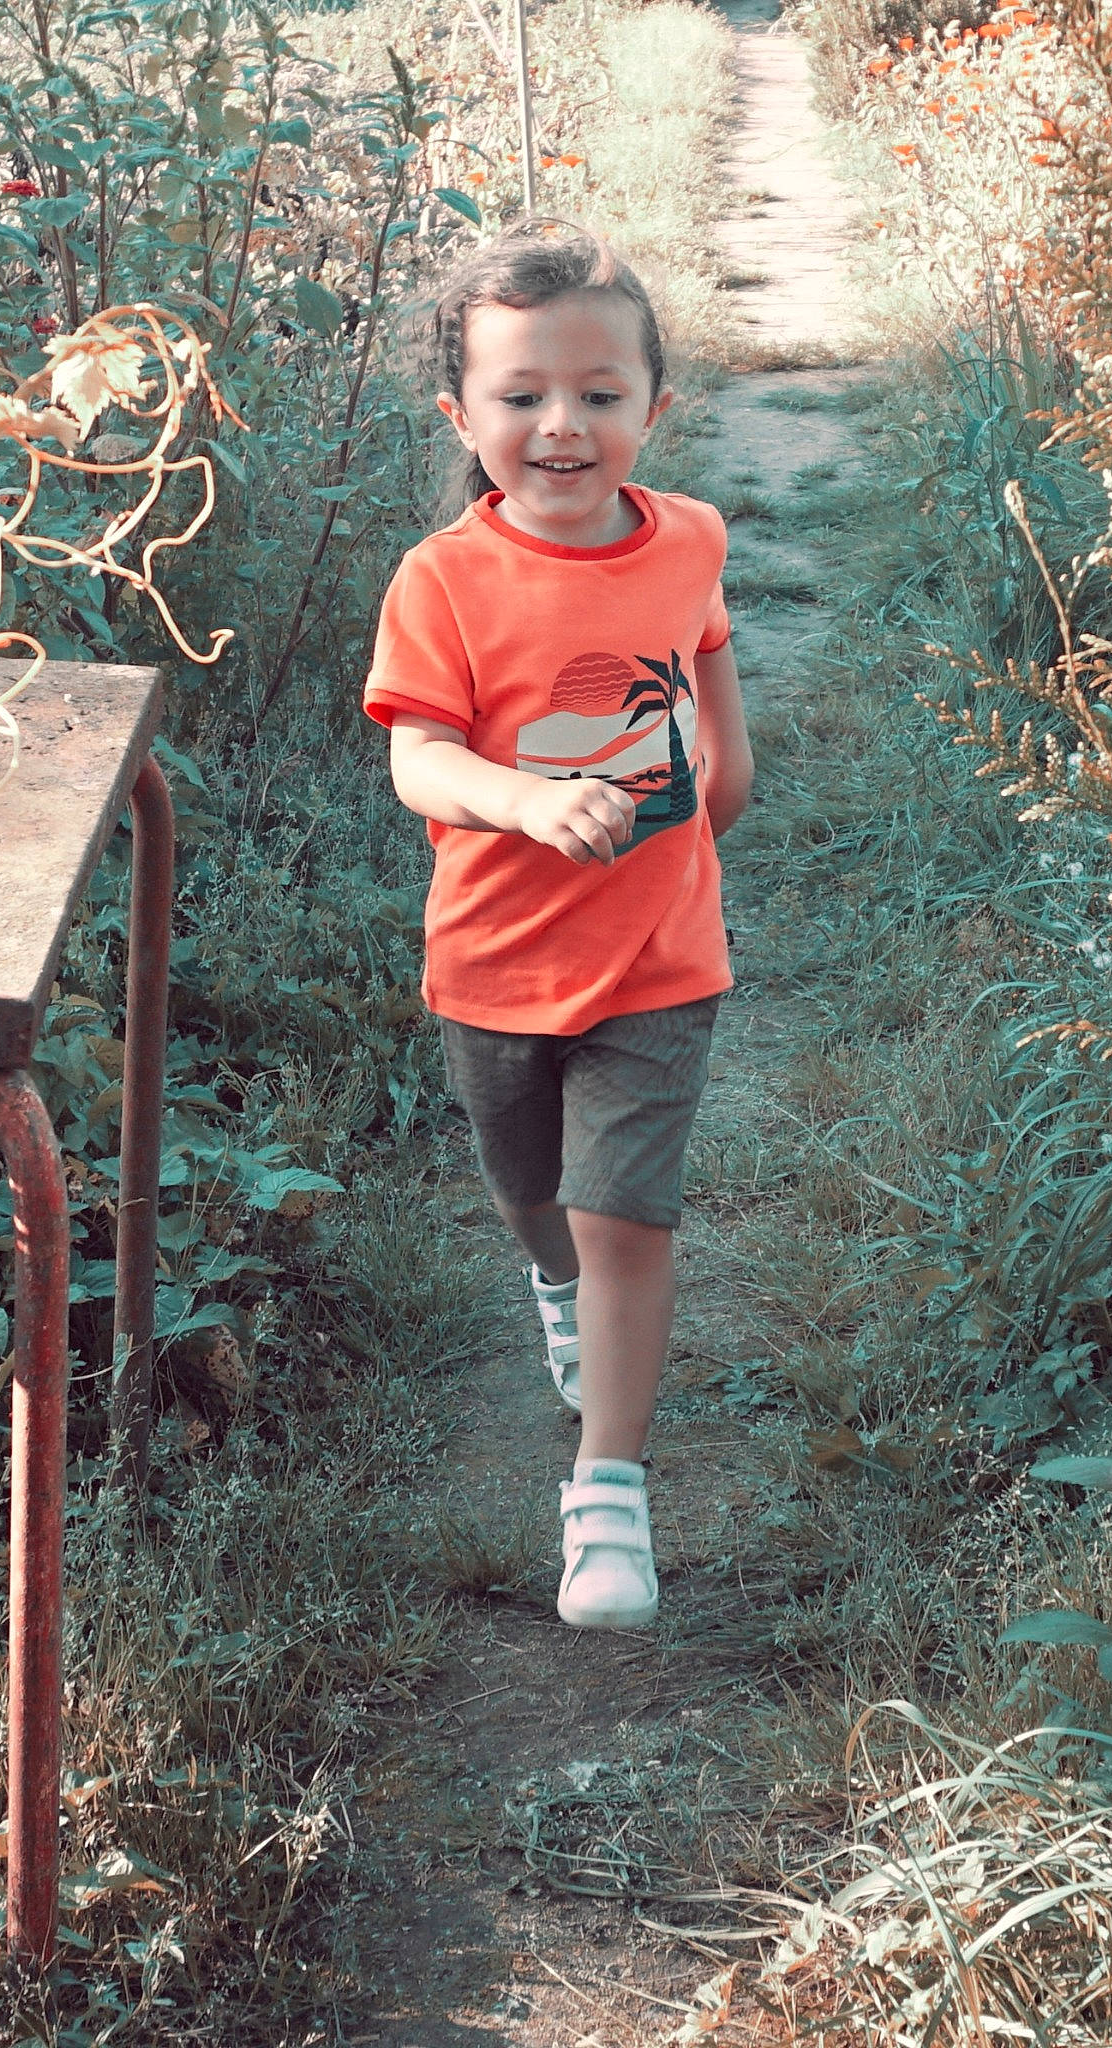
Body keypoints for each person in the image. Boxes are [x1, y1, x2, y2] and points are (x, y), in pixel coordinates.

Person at [362, 221, 753, 1630]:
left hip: (660, 959)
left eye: (598, 392)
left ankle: (609, 1494)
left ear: (656, 401)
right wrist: (526, 803)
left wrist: (726, 761)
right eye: (521, 396)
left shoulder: (692, 533)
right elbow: (419, 759)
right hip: (495, 960)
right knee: (533, 1195)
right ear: (461, 417)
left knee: (622, 1217)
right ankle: (550, 1283)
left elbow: (700, 643)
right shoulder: (444, 581)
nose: (562, 425)